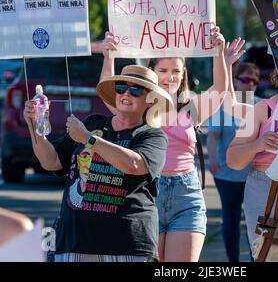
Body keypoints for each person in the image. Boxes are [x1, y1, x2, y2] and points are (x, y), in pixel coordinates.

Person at [101, 27, 228, 262]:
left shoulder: (191, 109)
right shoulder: (138, 109)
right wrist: (109, 56)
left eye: (176, 71)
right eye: (163, 70)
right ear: (151, 72)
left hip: (187, 193)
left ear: (183, 74)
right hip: (147, 192)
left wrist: (218, 51)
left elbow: (219, 90)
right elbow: (109, 93)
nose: (170, 77)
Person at [23, 65, 173, 262]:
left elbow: (135, 165)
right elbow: (51, 161)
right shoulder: (94, 123)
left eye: (135, 90)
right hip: (75, 241)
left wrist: (88, 138)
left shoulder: (152, 135)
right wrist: (35, 126)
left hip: (127, 245)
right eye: (121, 88)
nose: (126, 93)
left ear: (150, 100)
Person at [207, 38, 261, 262]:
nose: (249, 84)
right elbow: (213, 135)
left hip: (253, 176)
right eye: (245, 79)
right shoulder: (225, 107)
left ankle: (253, 259)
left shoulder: (260, 105)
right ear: (236, 81)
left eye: (254, 81)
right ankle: (233, 261)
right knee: (230, 219)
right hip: (227, 174)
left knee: (253, 222)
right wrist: (212, 160)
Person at [226, 63, 278, 257]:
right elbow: (233, 160)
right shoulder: (263, 109)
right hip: (265, 189)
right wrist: (259, 144)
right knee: (269, 256)